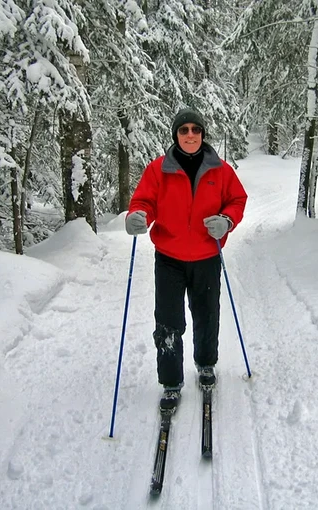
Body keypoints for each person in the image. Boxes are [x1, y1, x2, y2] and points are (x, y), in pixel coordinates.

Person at [125, 108, 248, 412]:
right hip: (169, 258)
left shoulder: (221, 170)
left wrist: (227, 220)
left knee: (207, 314)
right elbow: (144, 201)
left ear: (203, 134)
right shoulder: (158, 169)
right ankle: (170, 382)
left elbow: (237, 200)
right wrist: (138, 216)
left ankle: (206, 364)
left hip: (207, 256)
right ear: (175, 135)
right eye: (184, 130)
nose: (190, 135)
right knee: (168, 321)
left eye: (196, 129)